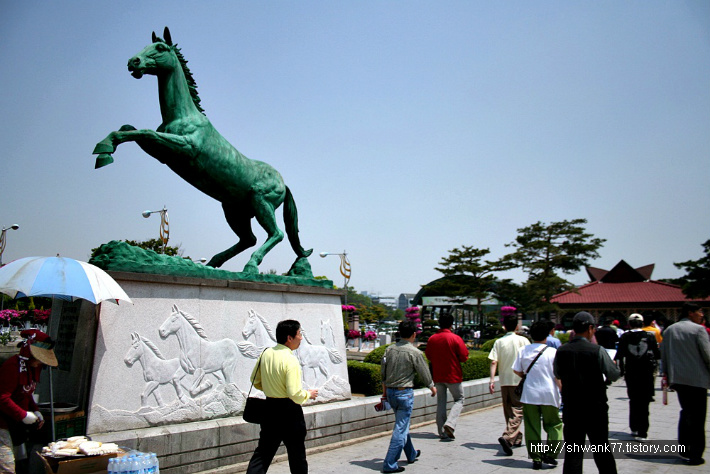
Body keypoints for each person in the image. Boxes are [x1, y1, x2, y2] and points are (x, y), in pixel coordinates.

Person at [246, 320, 318, 474]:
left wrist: (270, 388)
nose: (301, 338)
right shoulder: (290, 360)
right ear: (289, 338)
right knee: (297, 455)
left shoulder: (266, 353)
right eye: (299, 334)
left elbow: (254, 380)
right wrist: (308, 394)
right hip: (289, 411)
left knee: (263, 453)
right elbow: (294, 394)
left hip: (270, 408)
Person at [554, 311, 620, 474]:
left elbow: (558, 373)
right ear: (590, 328)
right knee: (601, 448)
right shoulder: (597, 350)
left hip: (572, 406)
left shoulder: (562, 351)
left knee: (573, 452)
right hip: (595, 406)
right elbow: (613, 374)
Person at [381, 320, 436, 473]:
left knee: (402, 424)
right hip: (404, 393)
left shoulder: (389, 350)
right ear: (414, 334)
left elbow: (383, 373)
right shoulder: (415, 352)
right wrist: (432, 387)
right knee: (401, 427)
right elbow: (424, 373)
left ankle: (411, 453)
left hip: (391, 393)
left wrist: (384, 393)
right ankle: (390, 463)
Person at [0, 329, 58, 474]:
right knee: (7, 466)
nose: (40, 362)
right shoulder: (12, 367)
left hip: (15, 423)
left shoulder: (33, 369)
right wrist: (23, 415)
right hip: (2, 422)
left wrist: (35, 410)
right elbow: (2, 397)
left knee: (20, 462)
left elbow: (27, 392)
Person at [661, 303, 710, 466]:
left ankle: (684, 447)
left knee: (687, 412)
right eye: (700, 311)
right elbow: (707, 355)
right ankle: (695, 454)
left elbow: (665, 355)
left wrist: (666, 375)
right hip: (697, 380)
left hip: (678, 379)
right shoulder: (698, 330)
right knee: (698, 417)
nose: (702, 314)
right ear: (690, 313)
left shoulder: (669, 330)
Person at [513, 321, 562, 470]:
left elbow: (516, 370)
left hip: (530, 394)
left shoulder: (523, 350)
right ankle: (551, 454)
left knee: (532, 426)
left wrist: (526, 375)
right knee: (554, 424)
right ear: (547, 334)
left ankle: (536, 458)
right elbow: (557, 376)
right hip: (549, 393)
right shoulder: (553, 352)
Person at [489, 313, 530, 455]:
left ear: (504, 326)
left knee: (508, 410)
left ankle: (515, 437)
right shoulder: (524, 341)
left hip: (504, 380)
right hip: (519, 380)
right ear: (517, 326)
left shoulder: (499, 342)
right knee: (518, 409)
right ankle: (509, 437)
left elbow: (494, 361)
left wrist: (492, 379)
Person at [615, 313, 659, 440]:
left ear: (629, 324)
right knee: (644, 402)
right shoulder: (649, 337)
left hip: (631, 372)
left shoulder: (625, 336)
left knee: (633, 400)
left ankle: (634, 426)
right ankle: (643, 431)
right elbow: (656, 354)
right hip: (646, 373)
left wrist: (621, 370)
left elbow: (620, 355)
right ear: (642, 323)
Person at [425, 313, 468, 440]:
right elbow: (464, 357)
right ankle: (450, 424)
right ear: (451, 324)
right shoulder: (455, 338)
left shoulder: (432, 339)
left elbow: (428, 356)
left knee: (441, 403)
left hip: (438, 375)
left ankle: (441, 431)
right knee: (459, 399)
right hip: (453, 375)